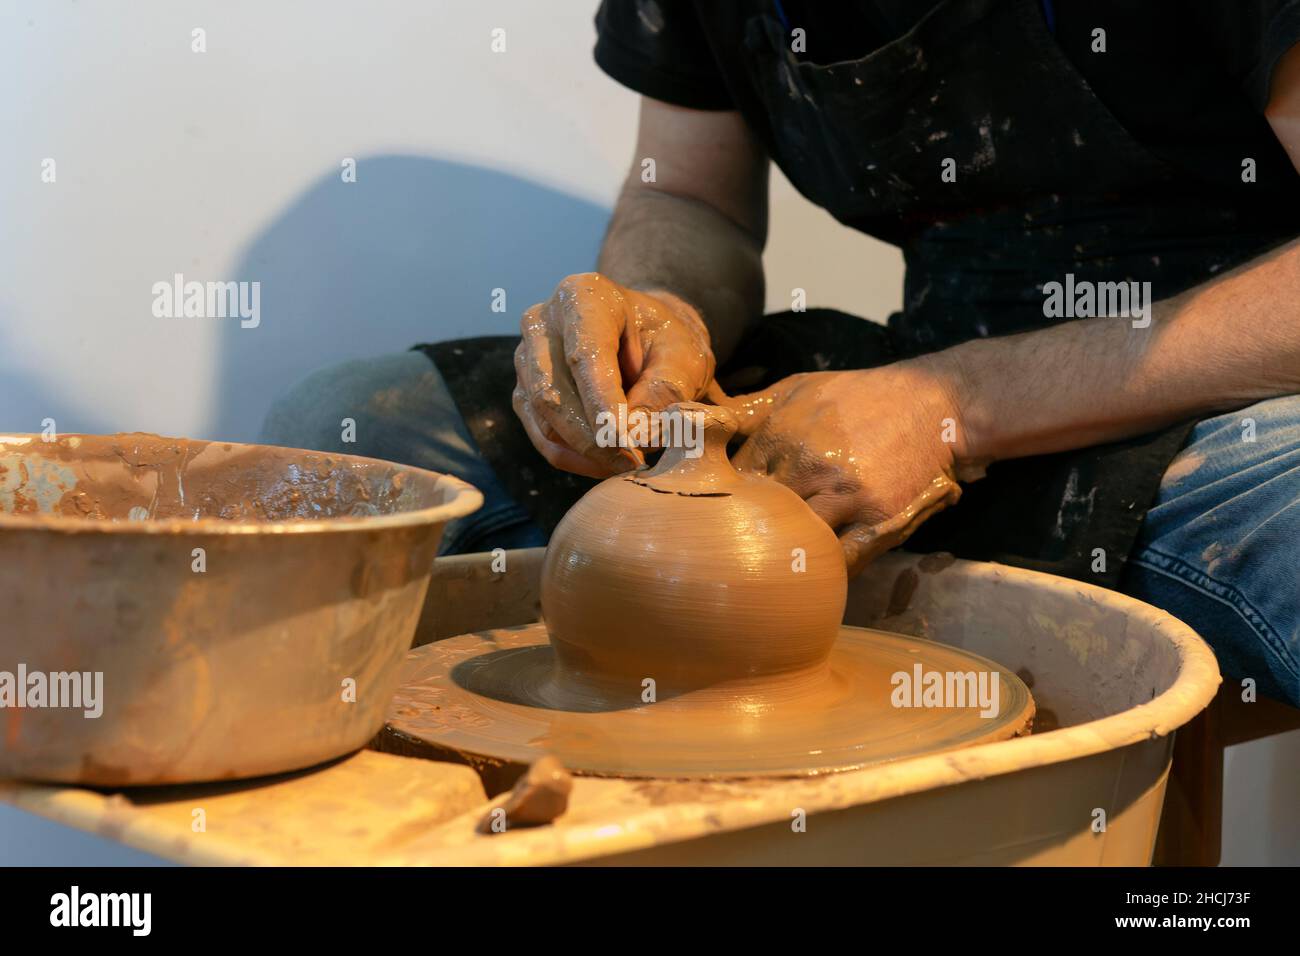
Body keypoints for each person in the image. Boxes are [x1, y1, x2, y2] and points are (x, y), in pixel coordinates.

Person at [262, 1, 1300, 705]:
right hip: (921, 367)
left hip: (1230, 397)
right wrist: (656, 312)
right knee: (355, 439)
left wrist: (955, 405)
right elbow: (686, 195)